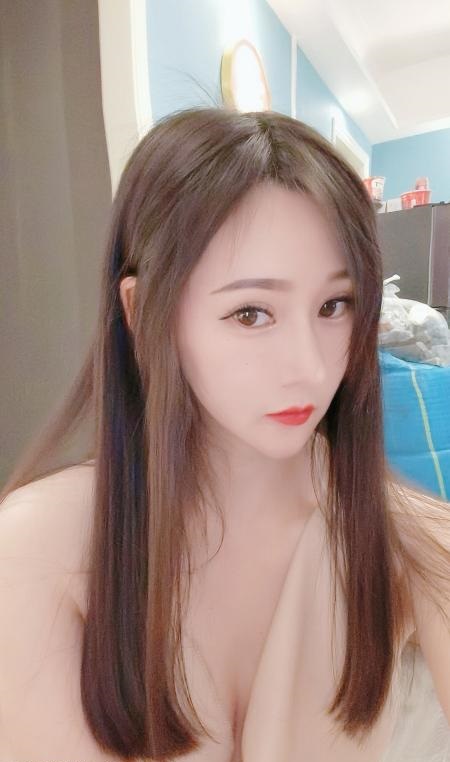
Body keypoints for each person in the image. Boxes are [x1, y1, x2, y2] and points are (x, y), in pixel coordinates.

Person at [0, 107, 449, 762]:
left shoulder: (408, 537)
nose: (311, 366)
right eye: (250, 313)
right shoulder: (39, 547)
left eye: (334, 306)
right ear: (142, 312)